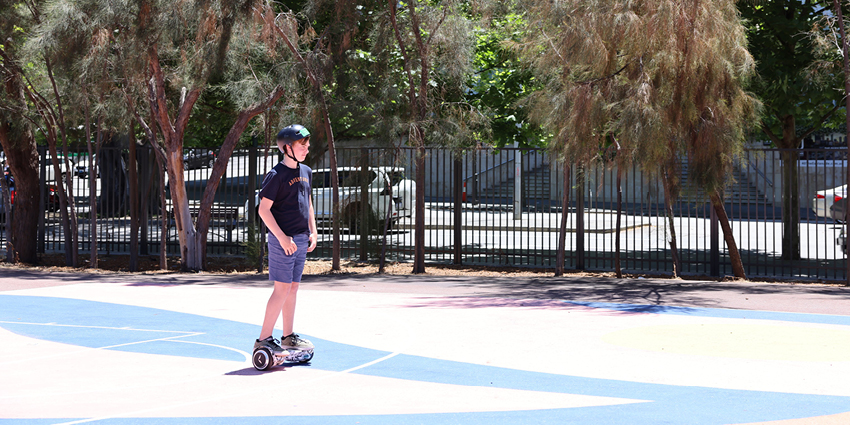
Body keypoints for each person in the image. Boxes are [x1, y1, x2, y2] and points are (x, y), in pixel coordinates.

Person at [253, 124, 318, 357]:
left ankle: (288, 337)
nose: (307, 149)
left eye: (307, 145)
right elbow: (264, 210)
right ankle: (263, 340)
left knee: (293, 288)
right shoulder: (276, 175)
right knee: (281, 290)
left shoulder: (306, 171)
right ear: (287, 147)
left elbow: (307, 201)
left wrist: (313, 229)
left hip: (300, 238)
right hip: (283, 241)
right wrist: (281, 238)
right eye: (302, 145)